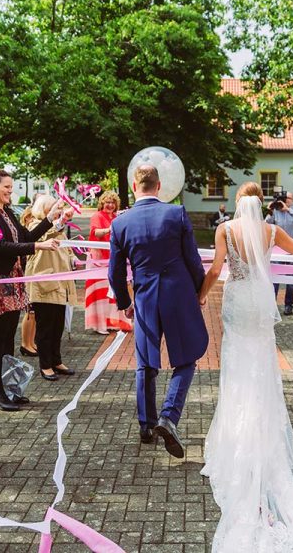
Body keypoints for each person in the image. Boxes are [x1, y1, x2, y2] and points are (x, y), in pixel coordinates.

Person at [198, 181, 293, 551]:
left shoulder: (225, 230)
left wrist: (199, 295)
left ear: (236, 203)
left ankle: (236, 435)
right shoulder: (272, 230)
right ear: (261, 204)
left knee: (237, 367)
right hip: (261, 301)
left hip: (237, 299)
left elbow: (216, 269)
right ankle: (261, 427)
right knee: (262, 366)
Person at [109, 165, 208, 458]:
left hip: (145, 299)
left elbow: (114, 271)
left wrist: (125, 303)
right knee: (187, 358)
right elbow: (192, 258)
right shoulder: (175, 213)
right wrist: (199, 292)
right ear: (159, 185)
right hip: (178, 295)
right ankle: (169, 416)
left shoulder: (120, 223)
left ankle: (146, 426)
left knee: (145, 362)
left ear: (134, 185)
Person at [0, 169, 62, 412]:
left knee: (8, 336)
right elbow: (0, 247)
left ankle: (9, 387)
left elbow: (26, 237)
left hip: (13, 279)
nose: (10, 191)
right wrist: (37, 245)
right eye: (7, 187)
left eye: (11, 187)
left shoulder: (8, 212)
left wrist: (50, 220)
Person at [25, 195, 78, 381]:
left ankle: (56, 360)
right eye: (52, 209)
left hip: (61, 286)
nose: (56, 212)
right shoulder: (34, 226)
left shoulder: (59, 228)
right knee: (45, 328)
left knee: (57, 327)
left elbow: (66, 248)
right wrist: (60, 221)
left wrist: (73, 259)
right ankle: (45, 365)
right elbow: (46, 236)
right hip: (44, 284)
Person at [85, 191, 132, 334]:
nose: (110, 205)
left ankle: (115, 322)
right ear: (102, 203)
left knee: (115, 290)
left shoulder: (117, 217)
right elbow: (95, 233)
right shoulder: (97, 216)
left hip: (115, 258)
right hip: (99, 260)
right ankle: (100, 324)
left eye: (113, 202)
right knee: (100, 292)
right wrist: (109, 229)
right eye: (107, 202)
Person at [266, 191, 293, 315]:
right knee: (274, 279)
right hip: (278, 249)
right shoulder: (276, 211)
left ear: (292, 199)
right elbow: (265, 224)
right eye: (283, 198)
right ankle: (271, 306)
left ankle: (289, 305)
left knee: (291, 279)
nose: (284, 200)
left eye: (287, 198)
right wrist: (270, 211)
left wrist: (289, 210)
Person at [19, 203, 39, 357]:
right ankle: (25, 343)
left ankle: (31, 342)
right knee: (29, 312)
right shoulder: (24, 239)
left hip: (32, 277)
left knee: (34, 313)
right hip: (27, 277)